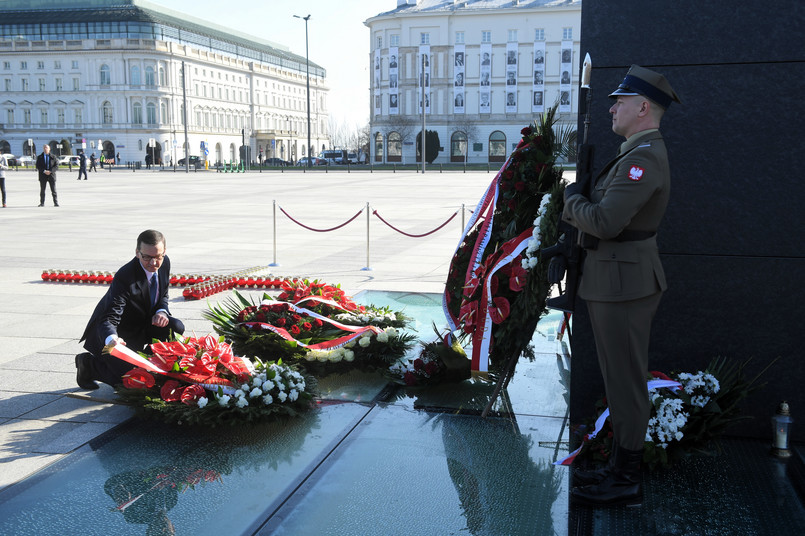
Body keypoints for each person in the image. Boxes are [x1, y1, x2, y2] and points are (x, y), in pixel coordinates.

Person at [559, 65, 680, 507]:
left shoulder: (642, 159)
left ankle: (626, 481)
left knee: (626, 382)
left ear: (643, 107)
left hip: (624, 285)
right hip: (615, 281)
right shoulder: (634, 152)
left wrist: (571, 201)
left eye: (620, 102)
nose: (612, 109)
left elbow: (607, 221)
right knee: (618, 379)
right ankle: (617, 469)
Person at [76, 229, 185, 389]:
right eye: (147, 257)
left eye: (158, 257)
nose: (153, 263)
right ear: (137, 253)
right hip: (117, 333)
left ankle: (147, 361)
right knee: (130, 381)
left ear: (164, 252)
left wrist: (161, 311)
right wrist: (112, 338)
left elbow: (163, 294)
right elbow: (110, 317)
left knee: (175, 327)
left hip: (144, 323)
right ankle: (88, 364)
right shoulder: (126, 276)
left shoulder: (165, 262)